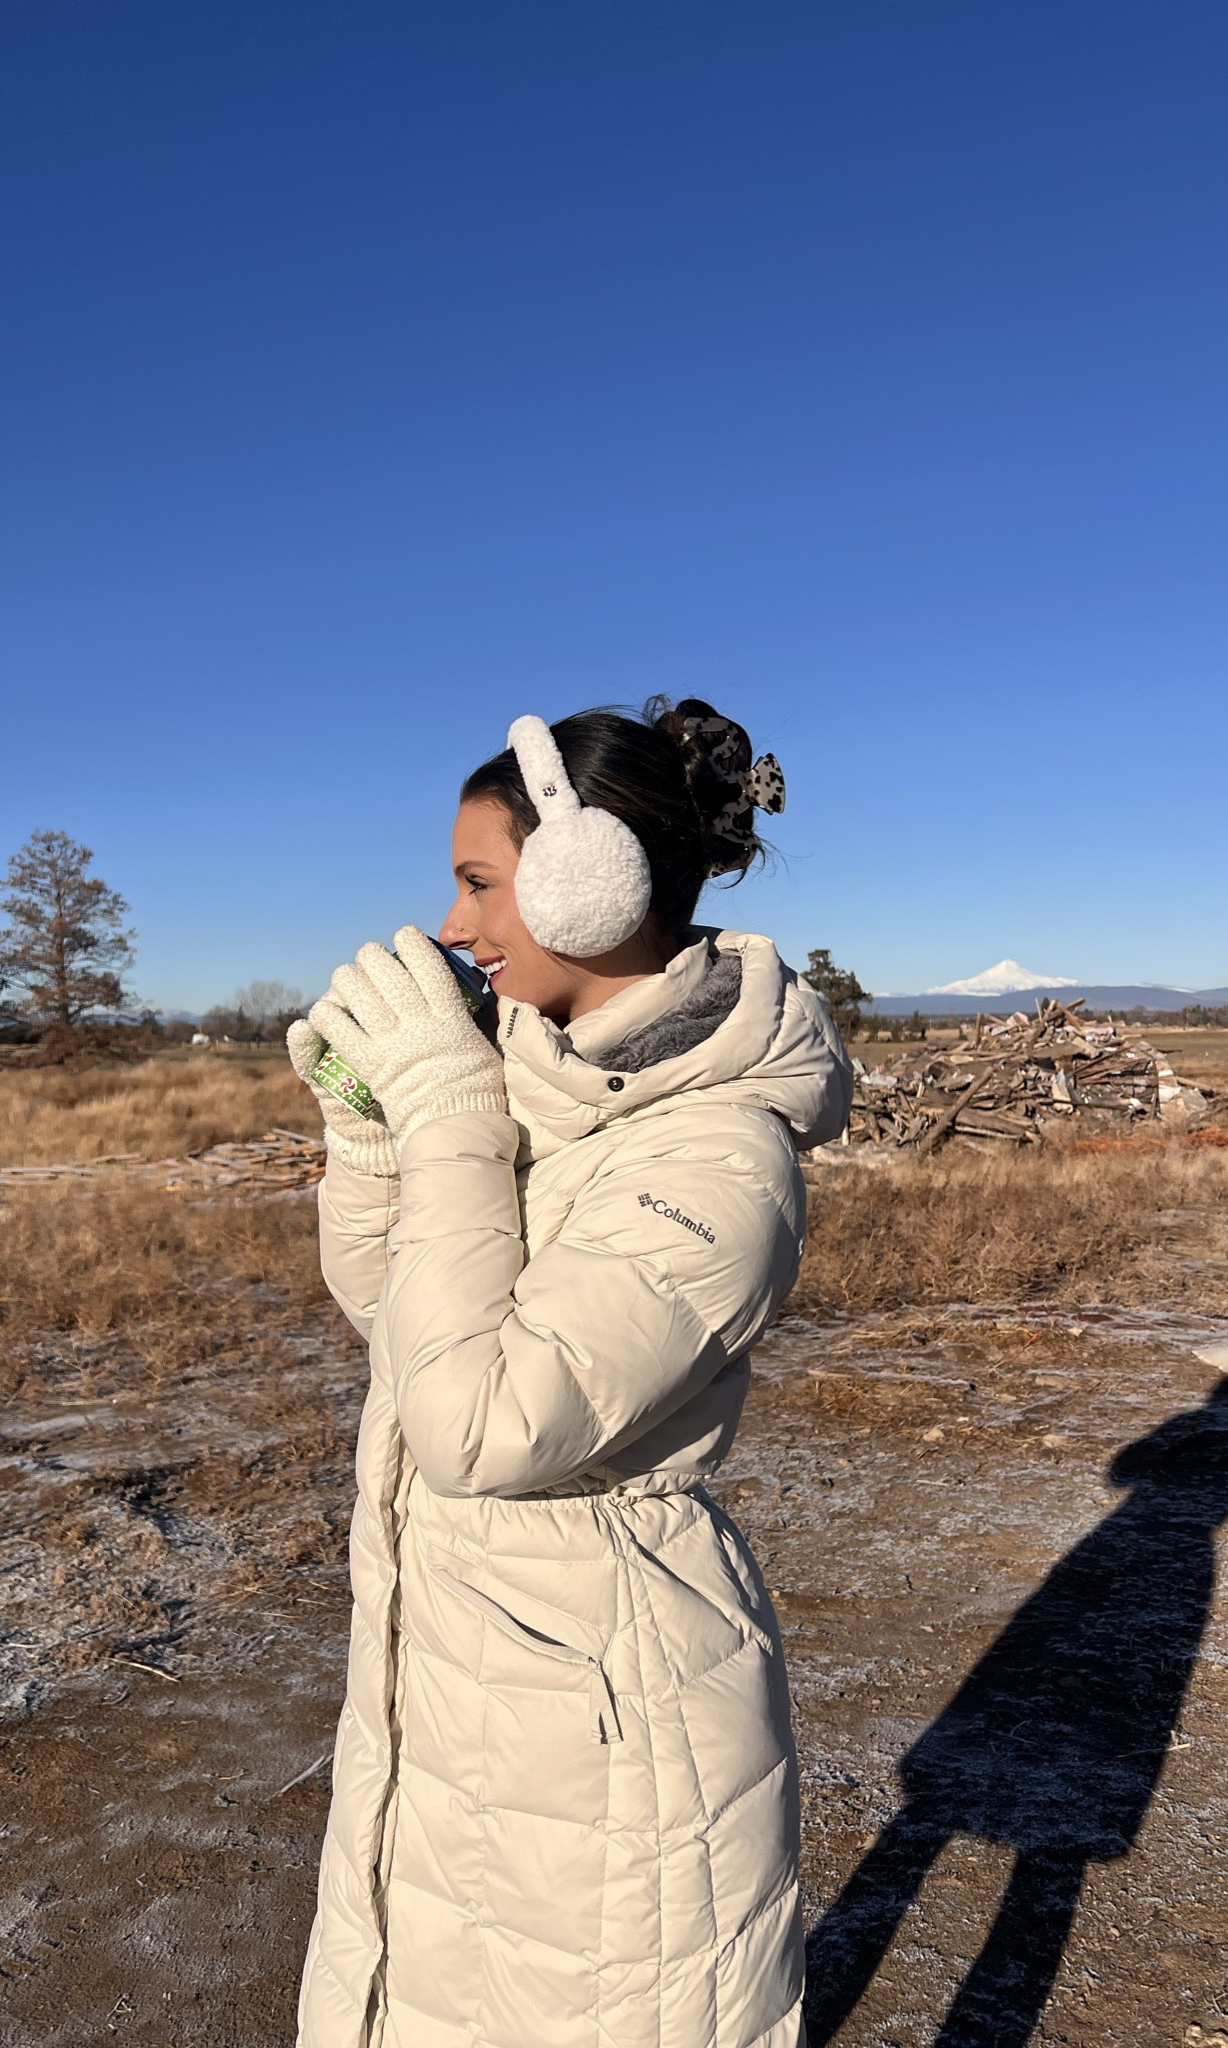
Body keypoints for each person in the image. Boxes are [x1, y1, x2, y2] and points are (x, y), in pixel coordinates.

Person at [286, 698, 853, 2048]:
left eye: (480, 882)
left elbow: (482, 1422)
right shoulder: (541, 1079)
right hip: (478, 1673)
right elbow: (410, 1328)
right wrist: (374, 1139)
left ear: (587, 884)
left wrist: (442, 1106)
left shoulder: (717, 1157)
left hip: (602, 1729)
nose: (455, 924)